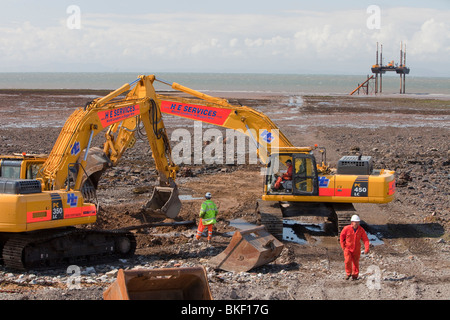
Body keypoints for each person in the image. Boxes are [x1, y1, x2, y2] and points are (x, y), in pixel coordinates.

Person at [339, 214, 370, 280]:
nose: (357, 224)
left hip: (356, 249)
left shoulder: (361, 230)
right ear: (352, 222)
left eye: (358, 222)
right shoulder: (346, 229)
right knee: (347, 261)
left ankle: (355, 275)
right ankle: (348, 273)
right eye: (355, 222)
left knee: (356, 262)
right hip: (347, 248)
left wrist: (367, 248)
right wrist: (343, 246)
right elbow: (341, 237)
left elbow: (365, 239)